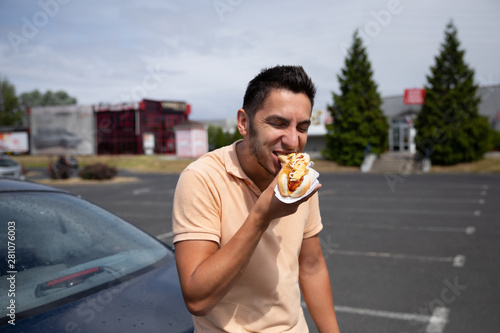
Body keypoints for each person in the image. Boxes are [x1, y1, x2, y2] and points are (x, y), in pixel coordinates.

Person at [172, 65, 340, 332]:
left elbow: (311, 264)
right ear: (244, 123)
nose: (293, 141)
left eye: (302, 127)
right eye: (278, 123)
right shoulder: (202, 178)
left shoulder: (299, 177)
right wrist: (262, 216)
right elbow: (197, 298)